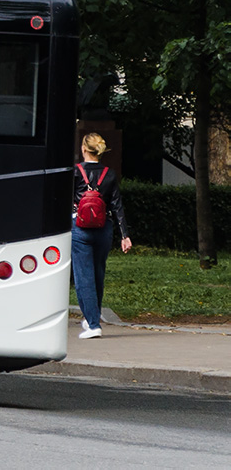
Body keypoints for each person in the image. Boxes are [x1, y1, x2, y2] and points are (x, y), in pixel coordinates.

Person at [72, 132, 132, 339]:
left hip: (80, 228)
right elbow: (117, 206)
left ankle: (93, 324)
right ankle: (92, 317)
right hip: (103, 228)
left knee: (83, 277)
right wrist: (125, 235)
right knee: (98, 275)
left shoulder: (76, 172)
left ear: (83, 149)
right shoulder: (110, 174)